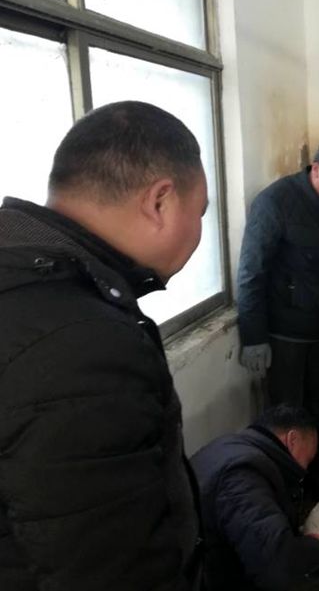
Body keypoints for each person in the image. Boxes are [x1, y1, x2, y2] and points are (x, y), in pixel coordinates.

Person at [0, 101, 207, 590]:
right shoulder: (85, 346)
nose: (200, 229)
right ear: (160, 202)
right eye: (200, 211)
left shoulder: (22, 276)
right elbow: (112, 568)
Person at [236, 138, 319, 497]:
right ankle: (286, 494)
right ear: (317, 170)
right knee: (287, 420)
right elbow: (251, 272)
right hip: (286, 337)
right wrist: (254, 336)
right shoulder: (275, 203)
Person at [191, 405, 319, 591]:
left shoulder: (229, 447)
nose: (304, 470)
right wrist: (318, 539)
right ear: (292, 440)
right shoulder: (243, 474)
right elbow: (278, 572)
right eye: (307, 460)